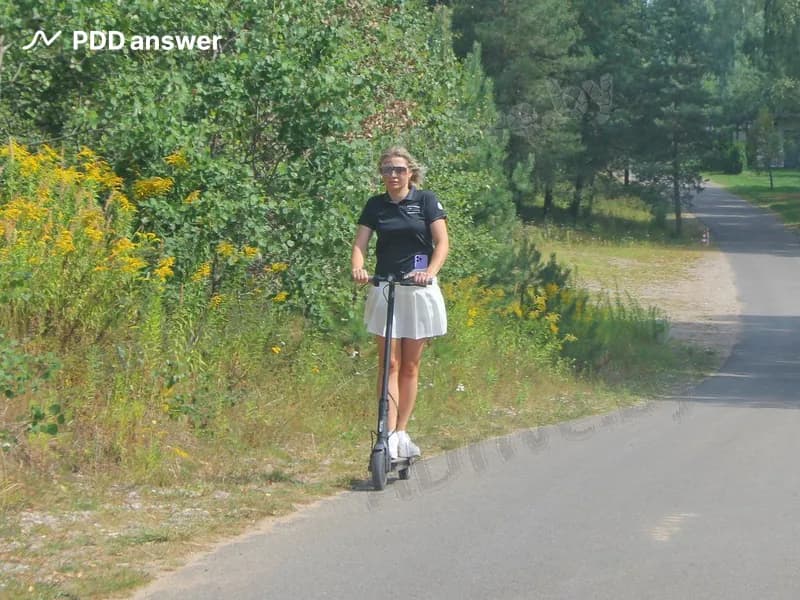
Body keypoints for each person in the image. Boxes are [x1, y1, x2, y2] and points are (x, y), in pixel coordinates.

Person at [351, 146, 449, 460]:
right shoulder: (375, 206)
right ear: (381, 174)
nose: (393, 175)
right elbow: (360, 243)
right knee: (388, 364)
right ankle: (387, 431)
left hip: (417, 289)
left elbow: (442, 242)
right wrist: (358, 268)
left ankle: (402, 431)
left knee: (409, 365)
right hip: (386, 286)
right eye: (387, 170)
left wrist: (429, 272)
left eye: (399, 170)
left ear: (411, 172)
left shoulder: (426, 201)